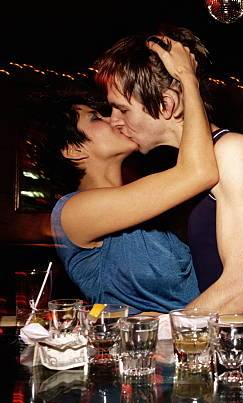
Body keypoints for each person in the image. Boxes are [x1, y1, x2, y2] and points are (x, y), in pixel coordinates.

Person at [95, 26, 243, 315]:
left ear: (166, 104)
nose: (113, 121)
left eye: (121, 109)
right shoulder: (194, 165)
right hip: (220, 340)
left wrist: (159, 332)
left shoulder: (232, 150)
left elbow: (241, 292)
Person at [45, 38, 218, 314]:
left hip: (187, 344)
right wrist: (187, 78)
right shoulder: (72, 211)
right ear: (73, 149)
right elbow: (199, 171)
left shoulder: (147, 200)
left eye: (117, 110)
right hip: (133, 351)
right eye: (96, 118)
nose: (113, 119)